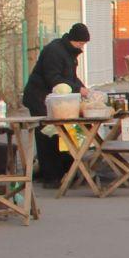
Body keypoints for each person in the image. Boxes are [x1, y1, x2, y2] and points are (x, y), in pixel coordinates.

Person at [23, 23, 90, 183]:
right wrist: (78, 90)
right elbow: (54, 78)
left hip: (54, 100)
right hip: (39, 98)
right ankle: (51, 176)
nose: (82, 47)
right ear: (73, 39)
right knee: (47, 135)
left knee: (59, 134)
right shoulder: (55, 51)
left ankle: (62, 170)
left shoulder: (68, 53)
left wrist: (82, 87)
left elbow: (70, 77)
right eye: (80, 43)